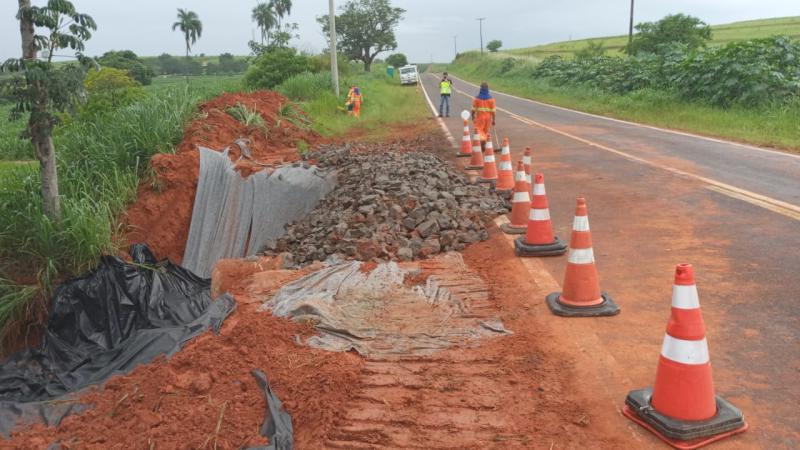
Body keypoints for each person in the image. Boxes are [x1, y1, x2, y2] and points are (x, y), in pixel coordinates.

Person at [471, 82, 496, 149]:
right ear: (487, 89)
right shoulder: (491, 99)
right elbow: (493, 111)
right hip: (488, 118)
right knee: (485, 131)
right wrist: (493, 120)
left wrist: (472, 116)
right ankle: (484, 142)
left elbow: (473, 109)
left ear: (481, 89)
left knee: (479, 129)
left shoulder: (477, 99)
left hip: (480, 117)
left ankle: (483, 140)